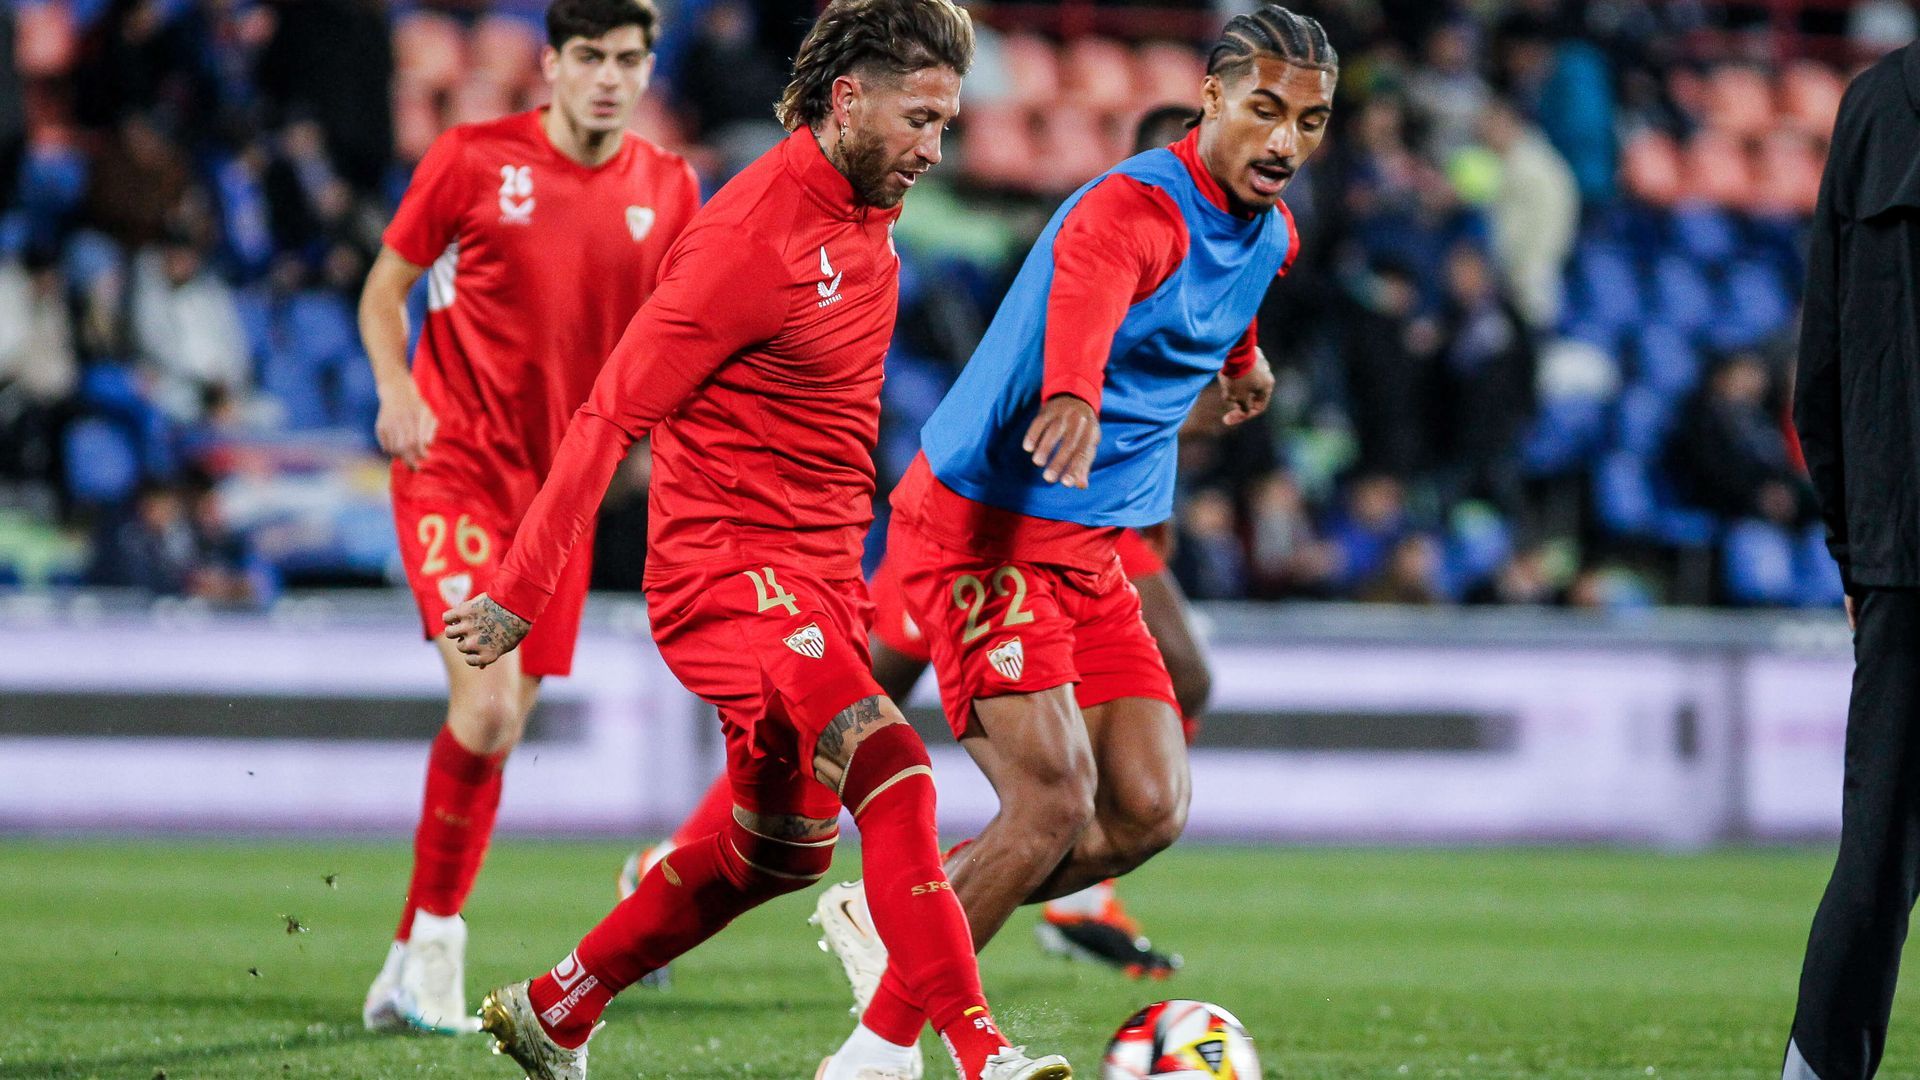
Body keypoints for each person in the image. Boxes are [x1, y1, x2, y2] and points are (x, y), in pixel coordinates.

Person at [440, 4, 1069, 1079]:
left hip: (821, 581)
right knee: (895, 768)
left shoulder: (867, 214)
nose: (936, 147)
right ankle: (982, 1053)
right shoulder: (747, 240)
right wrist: (520, 588)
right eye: (920, 119)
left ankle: (558, 1006)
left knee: (776, 851)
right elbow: (608, 416)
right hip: (727, 578)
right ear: (847, 101)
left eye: (948, 122)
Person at [812, 7, 1333, 1076]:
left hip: (1088, 549)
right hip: (987, 531)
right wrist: (1072, 396)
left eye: (1312, 122)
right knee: (1050, 803)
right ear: (1214, 100)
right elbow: (1085, 308)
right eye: (1267, 112)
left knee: (1144, 810)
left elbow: (1219, 300)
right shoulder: (1128, 209)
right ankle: (874, 1055)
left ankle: (893, 914)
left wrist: (1244, 365)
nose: (1285, 141)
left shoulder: (1271, 232)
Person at [615, 103, 1213, 985]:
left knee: (1167, 691)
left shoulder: (1216, 262)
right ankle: (674, 862)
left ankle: (1061, 880)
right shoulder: (1104, 244)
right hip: (1001, 515)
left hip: (1094, 524)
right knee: (846, 717)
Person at [356, 0, 700, 1036]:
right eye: (588, 57)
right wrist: (394, 390)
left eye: (627, 61)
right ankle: (436, 952)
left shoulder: (670, 189)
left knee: (499, 728)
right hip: (452, 467)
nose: (606, 78)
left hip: (560, 504)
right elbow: (385, 290)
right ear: (549, 62)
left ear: (647, 72)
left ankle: (410, 955)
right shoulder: (469, 161)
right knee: (493, 708)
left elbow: (682, 336)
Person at [1785, 37, 1920, 1080]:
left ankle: (1822, 1070)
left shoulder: (1874, 103)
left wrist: (1857, 547)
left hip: (1903, 556)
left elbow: (1820, 365)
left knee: (1876, 854)